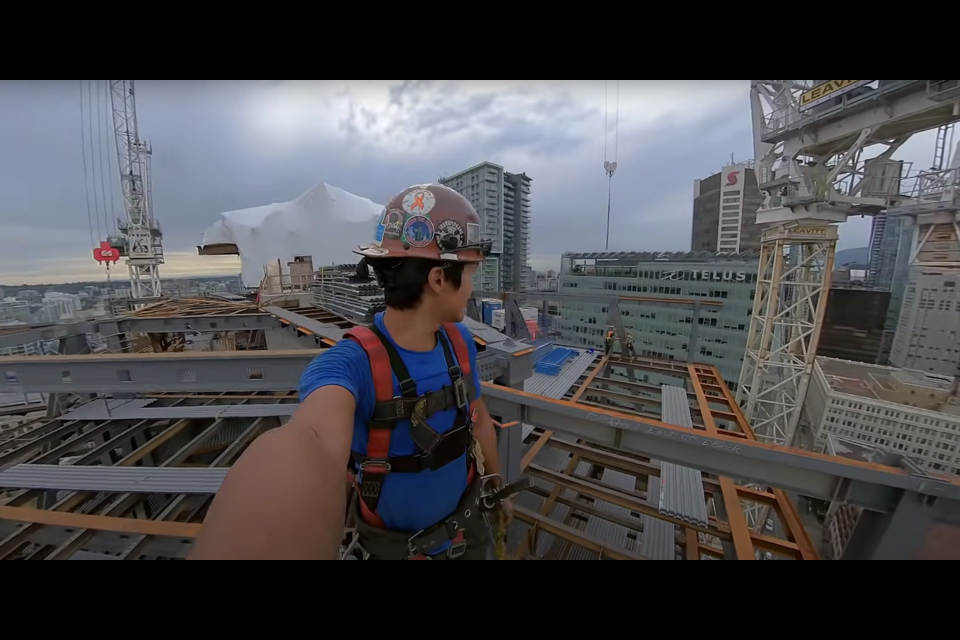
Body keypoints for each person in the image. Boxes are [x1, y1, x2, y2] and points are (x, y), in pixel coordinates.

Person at [189, 184, 505, 561]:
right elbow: (311, 442)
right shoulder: (352, 364)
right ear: (439, 279)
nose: (472, 288)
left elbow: (478, 417)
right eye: (469, 273)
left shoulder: (458, 341)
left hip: (468, 532)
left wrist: (493, 483)